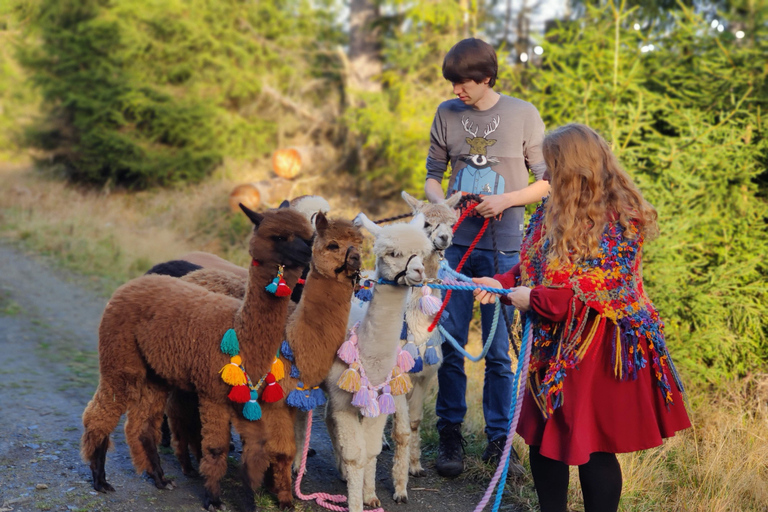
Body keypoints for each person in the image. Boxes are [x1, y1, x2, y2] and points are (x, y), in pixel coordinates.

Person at [472, 123, 691, 512]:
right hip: (551, 344)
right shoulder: (552, 209)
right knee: (543, 438)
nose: (544, 174)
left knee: (593, 447)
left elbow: (600, 288)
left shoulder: (623, 218)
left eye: (551, 164)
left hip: (597, 348)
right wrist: (503, 282)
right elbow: (533, 266)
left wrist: (533, 299)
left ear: (574, 167)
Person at [425, 37, 550, 477]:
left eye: (464, 83)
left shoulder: (523, 114)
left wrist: (506, 200)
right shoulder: (446, 113)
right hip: (455, 248)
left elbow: (546, 181)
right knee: (452, 344)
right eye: (453, 83)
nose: (457, 90)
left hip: (504, 251)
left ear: (486, 78)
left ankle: (498, 442)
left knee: (499, 352)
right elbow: (432, 176)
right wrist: (442, 204)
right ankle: (450, 437)